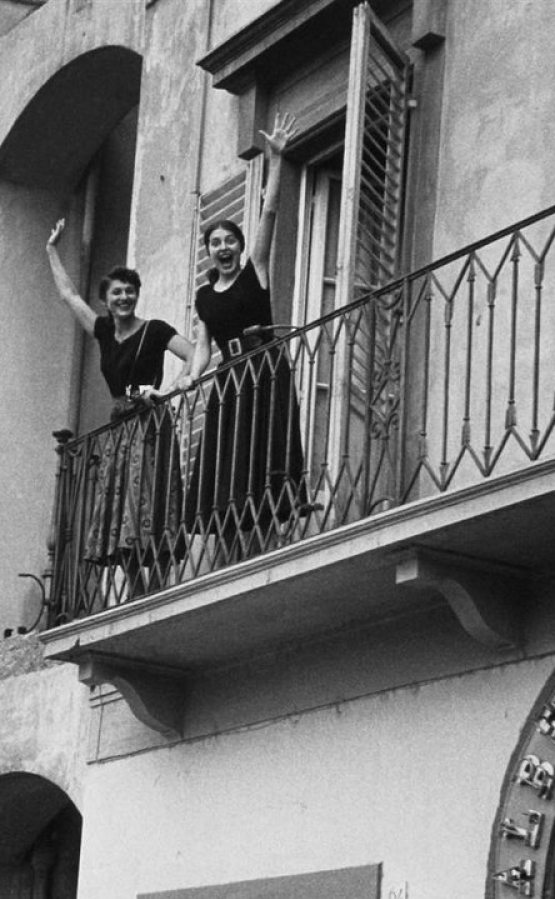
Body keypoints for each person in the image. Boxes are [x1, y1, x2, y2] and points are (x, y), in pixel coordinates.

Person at [46, 220, 194, 594]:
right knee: (118, 504)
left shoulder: (155, 329)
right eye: (117, 293)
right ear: (106, 300)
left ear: (137, 295)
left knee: (151, 498)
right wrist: (51, 250)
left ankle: (157, 586)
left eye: (130, 291)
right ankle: (138, 588)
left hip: (149, 422)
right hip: (119, 426)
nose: (124, 297)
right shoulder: (102, 331)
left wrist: (173, 388)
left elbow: (195, 355)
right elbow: (67, 295)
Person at [185, 112, 306, 562]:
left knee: (262, 455)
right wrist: (188, 380)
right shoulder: (204, 297)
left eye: (229, 240)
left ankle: (267, 545)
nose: (224, 247)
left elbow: (270, 213)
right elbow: (202, 349)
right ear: (209, 252)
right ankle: (234, 552)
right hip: (230, 379)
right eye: (215, 242)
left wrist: (277, 160)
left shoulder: (254, 269)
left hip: (263, 368)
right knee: (229, 467)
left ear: (238, 246)